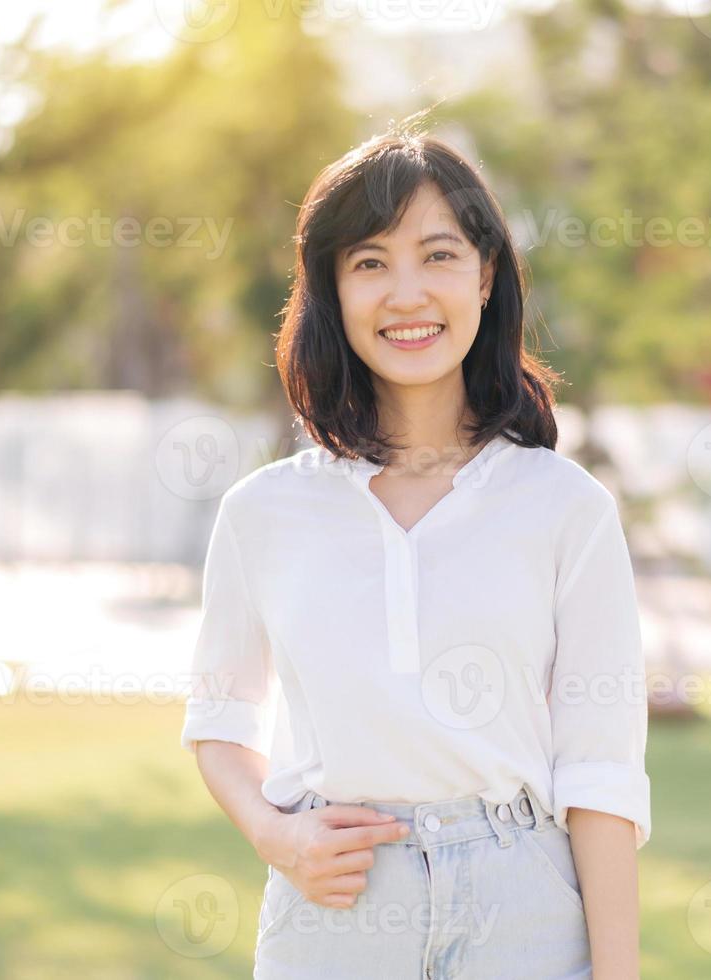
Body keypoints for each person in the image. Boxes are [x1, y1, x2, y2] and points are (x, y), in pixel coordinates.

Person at [181, 113, 650, 979]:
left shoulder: (565, 508)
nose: (407, 295)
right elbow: (218, 721)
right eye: (370, 263)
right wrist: (277, 835)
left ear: (485, 280)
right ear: (332, 293)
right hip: (333, 907)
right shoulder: (264, 512)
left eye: (438, 255)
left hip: (525, 908)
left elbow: (601, 769)